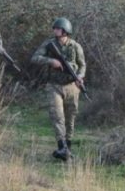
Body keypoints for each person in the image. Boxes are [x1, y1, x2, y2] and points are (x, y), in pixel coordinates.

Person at [31, 18, 86, 161]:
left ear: (65, 31)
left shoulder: (75, 46)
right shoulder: (49, 45)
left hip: (72, 87)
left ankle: (67, 148)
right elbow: (35, 58)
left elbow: (82, 65)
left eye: (58, 29)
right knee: (57, 116)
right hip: (53, 86)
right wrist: (51, 61)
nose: (55, 31)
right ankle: (61, 146)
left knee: (70, 118)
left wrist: (79, 77)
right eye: (54, 28)